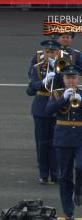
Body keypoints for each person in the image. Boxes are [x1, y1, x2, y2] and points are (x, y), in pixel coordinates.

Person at [46, 65, 82, 220]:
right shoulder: (56, 94)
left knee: (81, 167)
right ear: (64, 79)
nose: (71, 80)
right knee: (64, 176)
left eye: (74, 77)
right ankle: (68, 211)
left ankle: (79, 190)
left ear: (79, 79)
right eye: (68, 78)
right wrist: (64, 99)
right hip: (63, 138)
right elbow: (48, 111)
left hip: (80, 137)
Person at [27, 40, 61, 184]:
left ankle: (55, 173)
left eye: (52, 52)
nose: (50, 54)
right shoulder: (37, 68)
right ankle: (43, 174)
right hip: (41, 107)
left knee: (56, 143)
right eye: (47, 52)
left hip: (58, 107)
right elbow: (30, 89)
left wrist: (58, 73)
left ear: (58, 53)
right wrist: (43, 82)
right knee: (42, 142)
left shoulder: (64, 68)